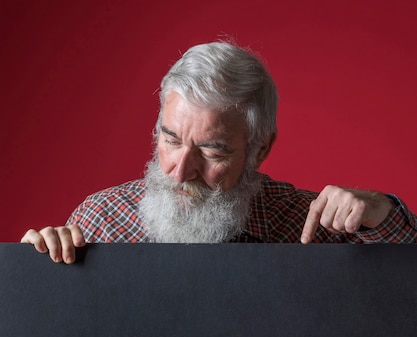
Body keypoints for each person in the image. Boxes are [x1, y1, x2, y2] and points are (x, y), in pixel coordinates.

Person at [21, 40, 417, 263]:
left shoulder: (304, 227)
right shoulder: (100, 222)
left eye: (212, 151)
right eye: (171, 139)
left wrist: (380, 212)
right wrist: (29, 275)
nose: (179, 172)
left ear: (260, 149)